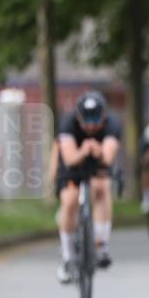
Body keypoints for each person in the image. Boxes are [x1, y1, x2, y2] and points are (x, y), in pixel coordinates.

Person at [56, 91, 121, 283]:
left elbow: (109, 158)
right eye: (87, 120)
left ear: (104, 116)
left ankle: (101, 245)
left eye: (96, 120)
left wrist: (98, 152)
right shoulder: (68, 123)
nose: (91, 126)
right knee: (70, 201)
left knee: (102, 187)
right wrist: (83, 150)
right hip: (73, 164)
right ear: (78, 117)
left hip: (98, 164)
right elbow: (69, 158)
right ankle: (68, 257)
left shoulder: (112, 125)